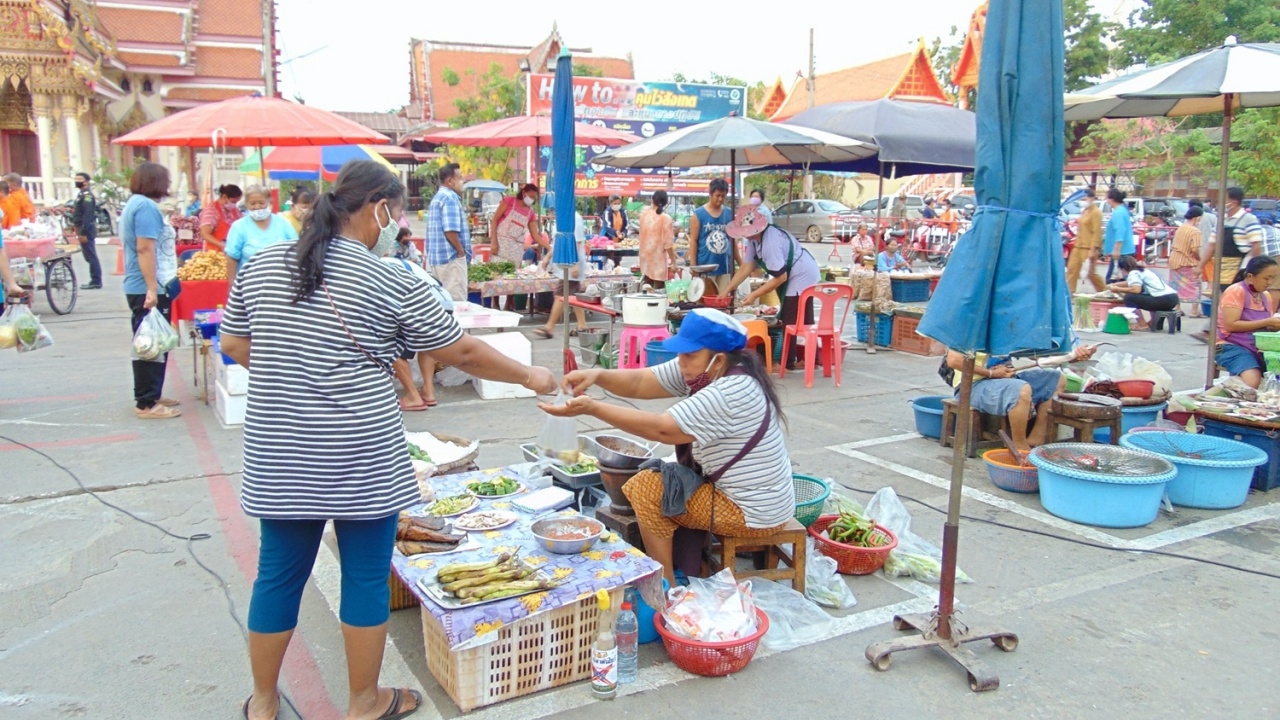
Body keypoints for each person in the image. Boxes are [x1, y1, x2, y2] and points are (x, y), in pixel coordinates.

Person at [216, 161, 556, 720]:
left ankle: (261, 701)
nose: (395, 225)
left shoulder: (261, 265)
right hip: (360, 455)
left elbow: (233, 343)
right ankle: (364, 701)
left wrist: (295, 376)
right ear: (379, 210)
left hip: (282, 453)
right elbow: (460, 351)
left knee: (277, 576)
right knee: (365, 577)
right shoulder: (390, 277)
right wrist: (529, 375)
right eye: (394, 214)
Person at [540, 309, 794, 586]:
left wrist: (592, 408)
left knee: (646, 487)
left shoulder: (730, 391)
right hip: (753, 498)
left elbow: (663, 429)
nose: (681, 362)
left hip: (752, 513)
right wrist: (597, 375)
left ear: (718, 359)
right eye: (681, 353)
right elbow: (641, 382)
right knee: (664, 474)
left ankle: (665, 584)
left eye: (689, 355)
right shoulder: (706, 368)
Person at [945, 344, 1098, 455]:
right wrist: (990, 373)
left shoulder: (1008, 322)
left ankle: (1036, 439)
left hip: (1006, 378)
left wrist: (1072, 355)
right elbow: (954, 360)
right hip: (972, 386)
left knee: (1056, 378)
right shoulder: (972, 321)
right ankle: (1020, 447)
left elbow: (1041, 354)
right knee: (1020, 389)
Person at [723, 205, 820, 368]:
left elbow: (780, 277)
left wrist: (754, 295)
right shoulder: (754, 241)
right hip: (797, 272)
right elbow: (746, 267)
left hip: (802, 274)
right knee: (802, 318)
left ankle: (788, 362)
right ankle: (810, 359)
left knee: (789, 320)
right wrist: (726, 291)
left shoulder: (770, 241)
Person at [120, 162, 180, 420]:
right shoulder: (145, 207)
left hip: (143, 284)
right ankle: (146, 403)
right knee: (149, 343)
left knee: (156, 341)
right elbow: (145, 249)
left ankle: (152, 394)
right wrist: (152, 290)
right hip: (145, 286)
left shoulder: (137, 203)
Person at [381, 242, 451, 411]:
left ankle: (413, 396)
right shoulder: (405, 263)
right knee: (427, 346)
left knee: (391, 347)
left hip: (419, 303)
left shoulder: (378, 267)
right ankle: (428, 392)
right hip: (444, 301)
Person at [1215, 256, 1280, 389]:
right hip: (1229, 346)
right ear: (1250, 276)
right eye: (1266, 278)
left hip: (1256, 346)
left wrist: (1273, 326)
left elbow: (1266, 326)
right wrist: (1267, 321)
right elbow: (1230, 325)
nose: (1270, 282)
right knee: (1252, 381)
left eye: (1273, 278)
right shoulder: (1236, 291)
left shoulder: (1266, 296)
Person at [532, 209, 590, 339]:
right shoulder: (562, 218)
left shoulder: (574, 218)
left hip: (571, 264)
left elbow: (577, 242)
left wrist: (574, 263)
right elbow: (558, 241)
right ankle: (582, 325)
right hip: (565, 264)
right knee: (573, 296)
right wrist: (547, 257)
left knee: (560, 296)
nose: (552, 214)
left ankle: (549, 327)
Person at [224, 185, 299, 278]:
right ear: (246, 204)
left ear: (269, 202)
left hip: (280, 279)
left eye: (261, 203)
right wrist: (232, 284)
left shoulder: (283, 223)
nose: (257, 207)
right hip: (249, 281)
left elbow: (296, 250)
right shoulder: (239, 227)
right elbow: (232, 257)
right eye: (252, 203)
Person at [425, 163, 470, 301]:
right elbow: (450, 230)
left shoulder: (437, 197)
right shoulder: (450, 198)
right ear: (450, 181)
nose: (463, 182)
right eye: (460, 178)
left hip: (437, 259)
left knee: (443, 302)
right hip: (451, 259)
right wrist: (460, 251)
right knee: (456, 303)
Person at [688, 178, 735, 295]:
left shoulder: (729, 214)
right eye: (717, 195)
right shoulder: (698, 215)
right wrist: (693, 267)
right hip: (705, 268)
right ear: (710, 194)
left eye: (723, 196)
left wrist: (739, 265)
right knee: (706, 301)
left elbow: (733, 241)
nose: (720, 199)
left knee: (723, 300)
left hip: (725, 267)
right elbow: (693, 241)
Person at [1107, 256, 1178, 329]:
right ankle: (1153, 322)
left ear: (1123, 269)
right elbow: (1131, 283)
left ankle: (1142, 324)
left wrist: (1117, 289)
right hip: (1172, 298)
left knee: (1129, 298)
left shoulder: (1133, 273)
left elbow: (1136, 289)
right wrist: (1115, 285)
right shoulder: (1141, 270)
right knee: (1145, 295)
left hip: (1164, 299)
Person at [489, 183, 542, 265]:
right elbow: (494, 220)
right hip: (500, 248)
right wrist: (494, 242)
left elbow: (535, 235)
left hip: (516, 252)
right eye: (531, 196)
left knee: (513, 275)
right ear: (524, 193)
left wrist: (549, 248)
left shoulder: (531, 213)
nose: (532, 199)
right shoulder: (509, 201)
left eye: (534, 198)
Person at [1066, 187, 1104, 293]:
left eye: (1084, 199)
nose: (1082, 201)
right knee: (1071, 270)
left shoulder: (1096, 212)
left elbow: (1097, 232)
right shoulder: (1084, 211)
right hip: (1078, 245)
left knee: (1090, 273)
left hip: (1088, 247)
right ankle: (1069, 294)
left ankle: (1104, 290)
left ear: (1091, 198)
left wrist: (1093, 249)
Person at [1169, 206, 1205, 317]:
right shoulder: (1195, 231)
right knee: (1196, 284)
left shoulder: (1180, 228)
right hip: (1187, 262)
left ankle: (1177, 307)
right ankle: (1194, 311)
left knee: (1175, 285)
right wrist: (1200, 259)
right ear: (1197, 218)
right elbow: (1194, 249)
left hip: (1174, 259)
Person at [638, 190, 679, 288]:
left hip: (645, 260)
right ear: (666, 203)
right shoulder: (665, 218)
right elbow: (668, 244)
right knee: (657, 293)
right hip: (658, 263)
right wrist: (673, 262)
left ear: (652, 200)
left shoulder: (644, 215)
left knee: (646, 290)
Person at [70, 171, 103, 290]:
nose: (77, 180)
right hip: (81, 228)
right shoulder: (81, 194)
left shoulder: (87, 195)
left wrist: (83, 232)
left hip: (86, 230)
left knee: (91, 256)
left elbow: (88, 215)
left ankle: (96, 281)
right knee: (88, 255)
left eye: (80, 179)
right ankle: (95, 280)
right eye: (76, 178)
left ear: (86, 182)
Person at [200, 184, 243, 253]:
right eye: (234, 202)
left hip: (232, 252)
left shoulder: (234, 210)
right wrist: (223, 246)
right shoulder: (211, 210)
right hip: (214, 253)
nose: (235, 204)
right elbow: (205, 234)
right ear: (224, 196)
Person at [1103, 188, 1134, 281]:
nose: (1106, 201)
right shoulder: (1123, 210)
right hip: (1125, 249)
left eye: (1107, 198)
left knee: (1112, 279)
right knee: (1124, 277)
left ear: (1111, 199)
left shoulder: (1118, 212)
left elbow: (1120, 231)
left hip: (1122, 251)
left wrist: (1116, 250)